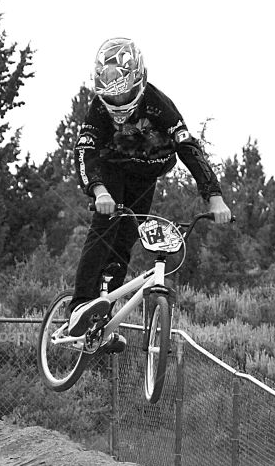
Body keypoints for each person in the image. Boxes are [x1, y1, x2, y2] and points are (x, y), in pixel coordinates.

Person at [66, 37, 231, 344]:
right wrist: (99, 191)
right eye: (110, 98)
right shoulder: (98, 112)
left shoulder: (159, 105)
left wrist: (214, 197)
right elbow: (84, 151)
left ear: (138, 81)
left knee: (126, 240)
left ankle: (103, 322)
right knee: (106, 227)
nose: (117, 104)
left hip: (146, 175)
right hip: (112, 168)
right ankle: (79, 307)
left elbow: (188, 148)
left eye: (124, 95)